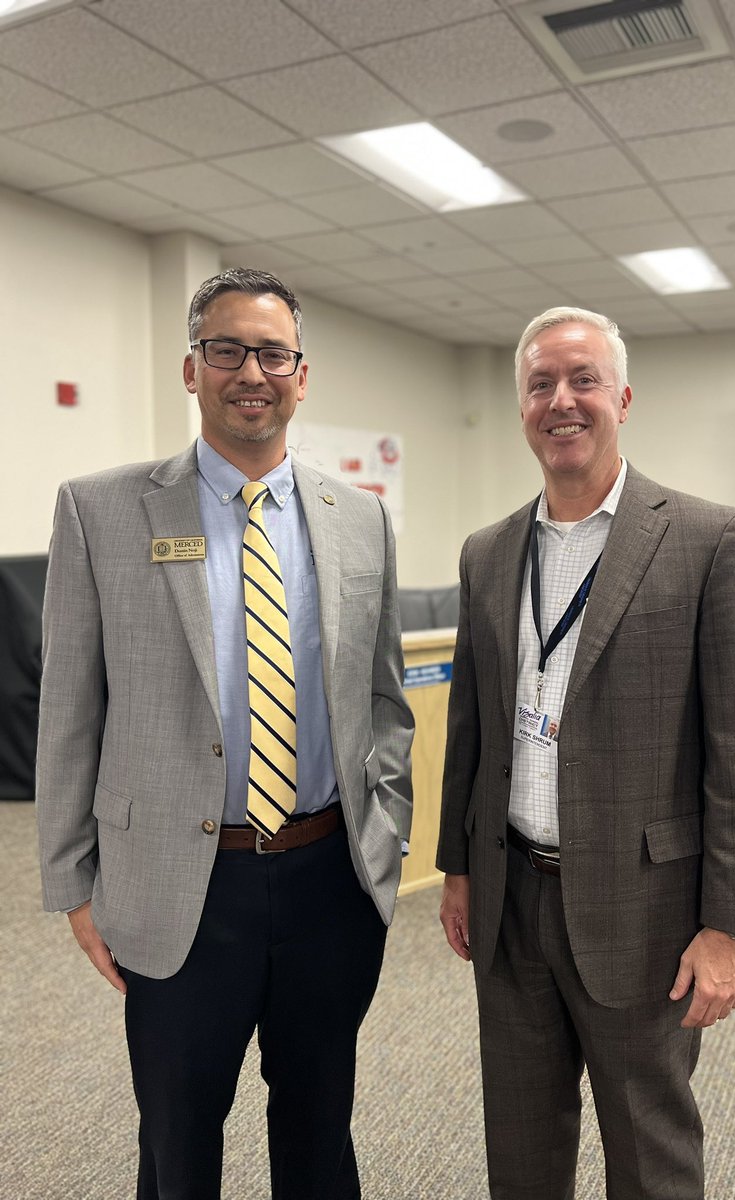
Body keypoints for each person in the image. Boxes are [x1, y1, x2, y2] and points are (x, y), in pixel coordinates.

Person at [37, 267, 414, 1200]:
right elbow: (70, 712)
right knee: (178, 1140)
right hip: (180, 884)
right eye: (227, 349)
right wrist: (72, 883)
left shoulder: (360, 518)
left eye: (273, 352)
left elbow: (386, 700)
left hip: (331, 877)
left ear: (302, 372)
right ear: (191, 369)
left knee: (321, 1132)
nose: (253, 370)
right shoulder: (101, 511)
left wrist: (386, 833)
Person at [437, 307, 735, 1200]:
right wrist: (458, 868)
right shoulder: (487, 553)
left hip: (648, 908)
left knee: (649, 1153)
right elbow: (470, 733)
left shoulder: (709, 539)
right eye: (541, 384)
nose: (562, 400)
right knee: (520, 1146)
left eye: (583, 379)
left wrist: (731, 925)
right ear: (521, 407)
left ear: (622, 397)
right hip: (512, 900)